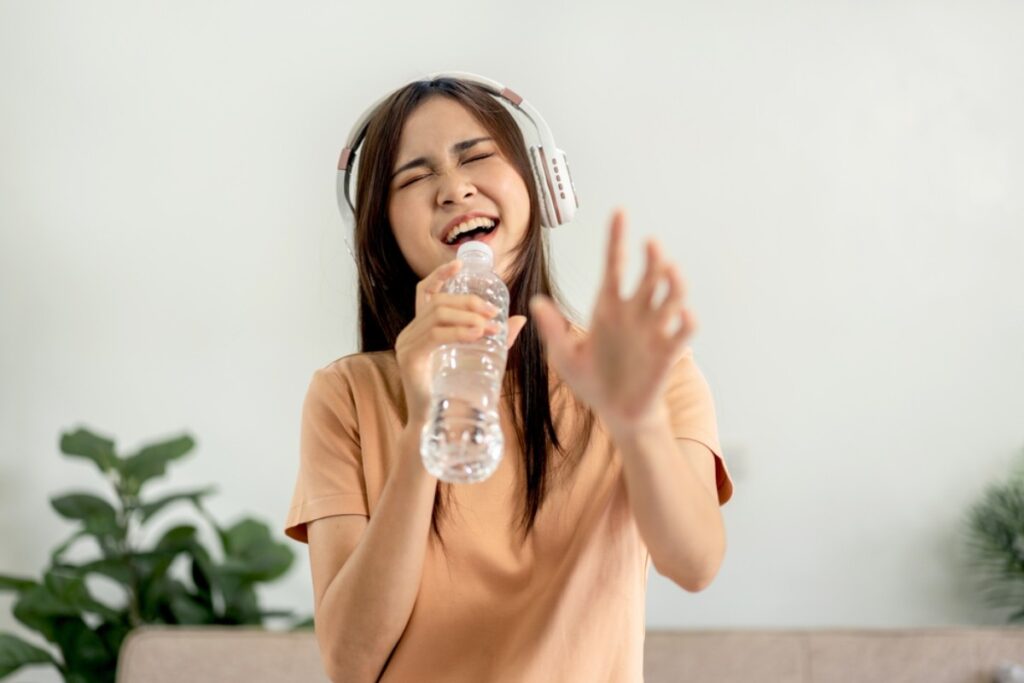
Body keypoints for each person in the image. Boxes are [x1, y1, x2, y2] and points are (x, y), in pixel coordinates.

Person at [284, 74, 734, 683]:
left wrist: (636, 423)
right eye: (415, 178)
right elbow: (350, 661)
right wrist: (424, 429)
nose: (454, 188)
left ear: (543, 186)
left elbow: (696, 563)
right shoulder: (346, 396)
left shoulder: (643, 375)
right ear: (381, 230)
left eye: (475, 156)